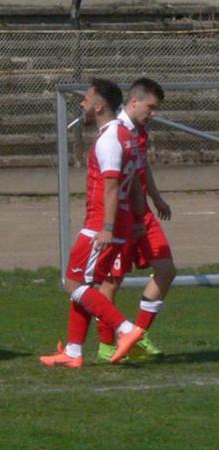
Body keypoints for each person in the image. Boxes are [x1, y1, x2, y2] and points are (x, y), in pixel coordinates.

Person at [39, 78, 146, 368]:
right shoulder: (126, 135)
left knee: (73, 283)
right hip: (116, 223)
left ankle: (126, 329)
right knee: (83, 285)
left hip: (101, 224)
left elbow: (111, 185)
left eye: (86, 99)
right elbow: (136, 184)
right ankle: (73, 351)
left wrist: (107, 228)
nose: (82, 103)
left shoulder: (110, 139)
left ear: (99, 106)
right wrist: (137, 220)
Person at [96, 78, 175, 362]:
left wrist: (156, 198)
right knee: (111, 282)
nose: (153, 113)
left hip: (142, 212)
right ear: (134, 101)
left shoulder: (139, 131)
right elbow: (111, 182)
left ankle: (138, 335)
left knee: (166, 270)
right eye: (150, 107)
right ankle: (106, 344)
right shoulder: (114, 132)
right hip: (122, 216)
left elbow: (143, 168)